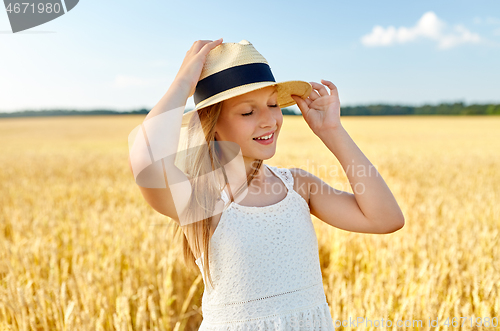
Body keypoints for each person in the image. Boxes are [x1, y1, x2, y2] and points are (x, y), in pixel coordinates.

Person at [128, 38, 405, 330]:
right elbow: (146, 160)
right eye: (248, 112)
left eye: (273, 105)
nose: (268, 120)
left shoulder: (298, 186)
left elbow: (385, 218)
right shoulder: (200, 198)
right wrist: (184, 82)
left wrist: (332, 131)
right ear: (213, 123)